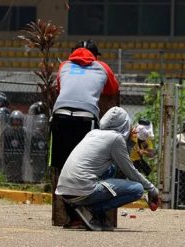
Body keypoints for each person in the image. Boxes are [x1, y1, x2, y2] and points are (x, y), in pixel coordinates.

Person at [50, 39, 120, 226]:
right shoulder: (102, 67)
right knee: (90, 165)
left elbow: (60, 87)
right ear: (95, 56)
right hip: (86, 119)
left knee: (62, 166)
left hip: (60, 117)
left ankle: (69, 216)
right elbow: (113, 89)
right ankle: (89, 213)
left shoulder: (64, 66)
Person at [55, 107, 159, 231]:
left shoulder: (93, 133)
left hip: (65, 192)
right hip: (83, 191)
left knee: (112, 169)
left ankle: (87, 209)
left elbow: (118, 163)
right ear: (125, 124)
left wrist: (130, 143)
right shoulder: (115, 138)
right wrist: (152, 189)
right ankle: (91, 210)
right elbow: (129, 171)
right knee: (137, 189)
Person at [2, 110, 26, 182]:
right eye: (15, 120)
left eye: (18, 120)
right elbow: (4, 143)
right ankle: (9, 180)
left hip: (19, 154)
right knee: (9, 167)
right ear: (11, 120)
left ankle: (18, 180)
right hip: (9, 153)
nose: (16, 122)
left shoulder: (23, 131)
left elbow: (24, 143)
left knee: (19, 167)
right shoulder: (7, 131)